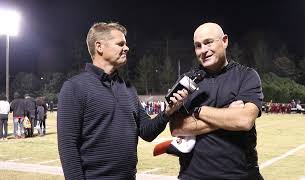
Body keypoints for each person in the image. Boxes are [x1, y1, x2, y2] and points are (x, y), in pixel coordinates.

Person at [57, 22, 188, 180]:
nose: (126, 48)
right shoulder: (74, 87)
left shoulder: (128, 88)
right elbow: (68, 147)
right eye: (120, 44)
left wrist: (167, 112)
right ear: (99, 47)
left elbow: (146, 131)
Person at [169, 22, 264, 180]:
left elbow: (244, 120)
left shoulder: (247, 76)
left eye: (208, 42)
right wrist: (228, 114)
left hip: (240, 175)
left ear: (225, 41)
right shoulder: (186, 81)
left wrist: (199, 111)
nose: (203, 50)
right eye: (198, 46)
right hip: (193, 175)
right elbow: (176, 128)